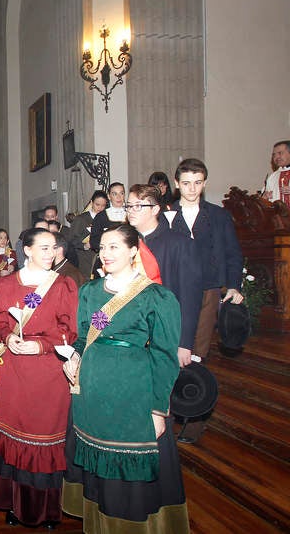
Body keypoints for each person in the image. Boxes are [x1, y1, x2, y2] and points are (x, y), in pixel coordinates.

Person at [62, 224, 189, 533]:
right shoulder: (91, 291)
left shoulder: (156, 296)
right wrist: (75, 356)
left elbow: (164, 354)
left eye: (114, 246)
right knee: (99, 458)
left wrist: (159, 408)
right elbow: (88, 335)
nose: (105, 253)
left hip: (133, 389)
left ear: (134, 250)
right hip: (93, 388)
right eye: (102, 247)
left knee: (130, 462)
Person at [0, 228, 78, 529]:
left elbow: (70, 327)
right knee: (15, 435)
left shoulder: (64, 285)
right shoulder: (6, 284)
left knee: (46, 439)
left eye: (54, 248)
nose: (51, 253)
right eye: (44, 248)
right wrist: (7, 337)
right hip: (15, 371)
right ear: (28, 250)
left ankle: (48, 508)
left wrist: (42, 344)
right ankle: (13, 504)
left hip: (49, 372)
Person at [169, 158, 244, 443]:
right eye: (186, 183)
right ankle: (169, 412)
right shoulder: (165, 214)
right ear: (177, 183)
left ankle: (195, 416)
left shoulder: (218, 215)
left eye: (198, 183)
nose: (192, 189)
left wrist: (234, 286)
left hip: (207, 291)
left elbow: (233, 253)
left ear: (204, 182)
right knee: (170, 352)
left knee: (197, 354)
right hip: (172, 291)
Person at [125, 185, 203, 369]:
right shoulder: (123, 243)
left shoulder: (180, 244)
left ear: (155, 209)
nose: (131, 211)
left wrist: (184, 343)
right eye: (129, 206)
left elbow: (189, 298)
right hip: (131, 333)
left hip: (165, 332)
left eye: (138, 206)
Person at [66, 190, 108, 278]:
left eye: (103, 205)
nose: (100, 208)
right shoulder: (81, 219)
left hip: (101, 259)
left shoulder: (106, 219)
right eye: (97, 205)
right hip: (85, 261)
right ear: (91, 203)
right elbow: (70, 241)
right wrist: (85, 245)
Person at [90, 182, 127, 277]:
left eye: (121, 193)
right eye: (115, 194)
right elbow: (94, 241)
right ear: (109, 196)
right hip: (107, 260)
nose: (119, 197)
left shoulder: (131, 214)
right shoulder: (101, 216)